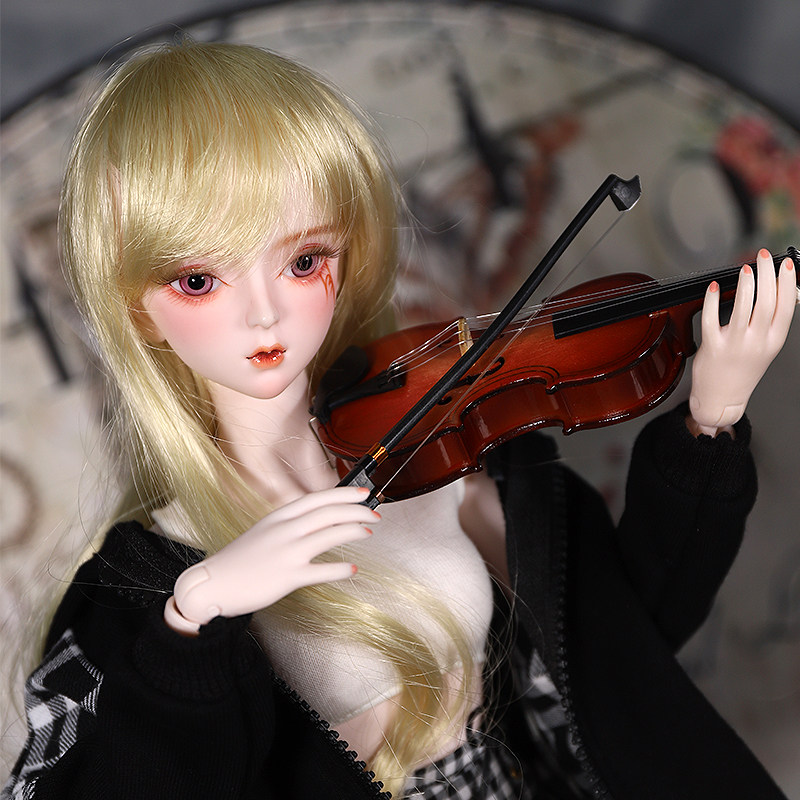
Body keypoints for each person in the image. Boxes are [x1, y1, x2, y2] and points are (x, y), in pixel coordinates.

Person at [2, 41, 797, 800]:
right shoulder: (135, 587)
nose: (263, 313)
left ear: (345, 257)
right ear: (138, 309)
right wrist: (191, 621)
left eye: (303, 261)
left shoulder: (441, 449)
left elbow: (623, 659)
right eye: (199, 281)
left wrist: (711, 423)